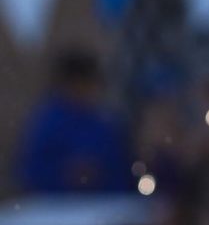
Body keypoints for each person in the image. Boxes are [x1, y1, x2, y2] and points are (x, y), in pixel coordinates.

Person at [14, 49, 134, 194]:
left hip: (105, 203)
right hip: (58, 207)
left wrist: (100, 175)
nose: (87, 90)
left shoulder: (106, 121)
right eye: (81, 83)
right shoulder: (47, 123)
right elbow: (29, 171)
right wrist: (66, 175)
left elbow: (122, 168)